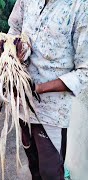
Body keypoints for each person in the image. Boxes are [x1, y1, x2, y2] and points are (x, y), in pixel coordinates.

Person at [8, 0, 88, 179]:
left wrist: (37, 88)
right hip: (23, 105)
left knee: (50, 172)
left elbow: (85, 71)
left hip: (53, 112)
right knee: (33, 164)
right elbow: (14, 29)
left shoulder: (80, 6)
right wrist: (9, 51)